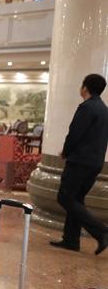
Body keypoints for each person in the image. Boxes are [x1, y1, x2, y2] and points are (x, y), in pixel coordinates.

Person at [50, 74, 108, 255]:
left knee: (65, 197)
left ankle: (102, 232)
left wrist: (65, 152)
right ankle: (71, 240)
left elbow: (75, 134)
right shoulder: (104, 109)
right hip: (95, 162)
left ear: (85, 87)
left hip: (80, 162)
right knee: (76, 200)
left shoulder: (87, 108)